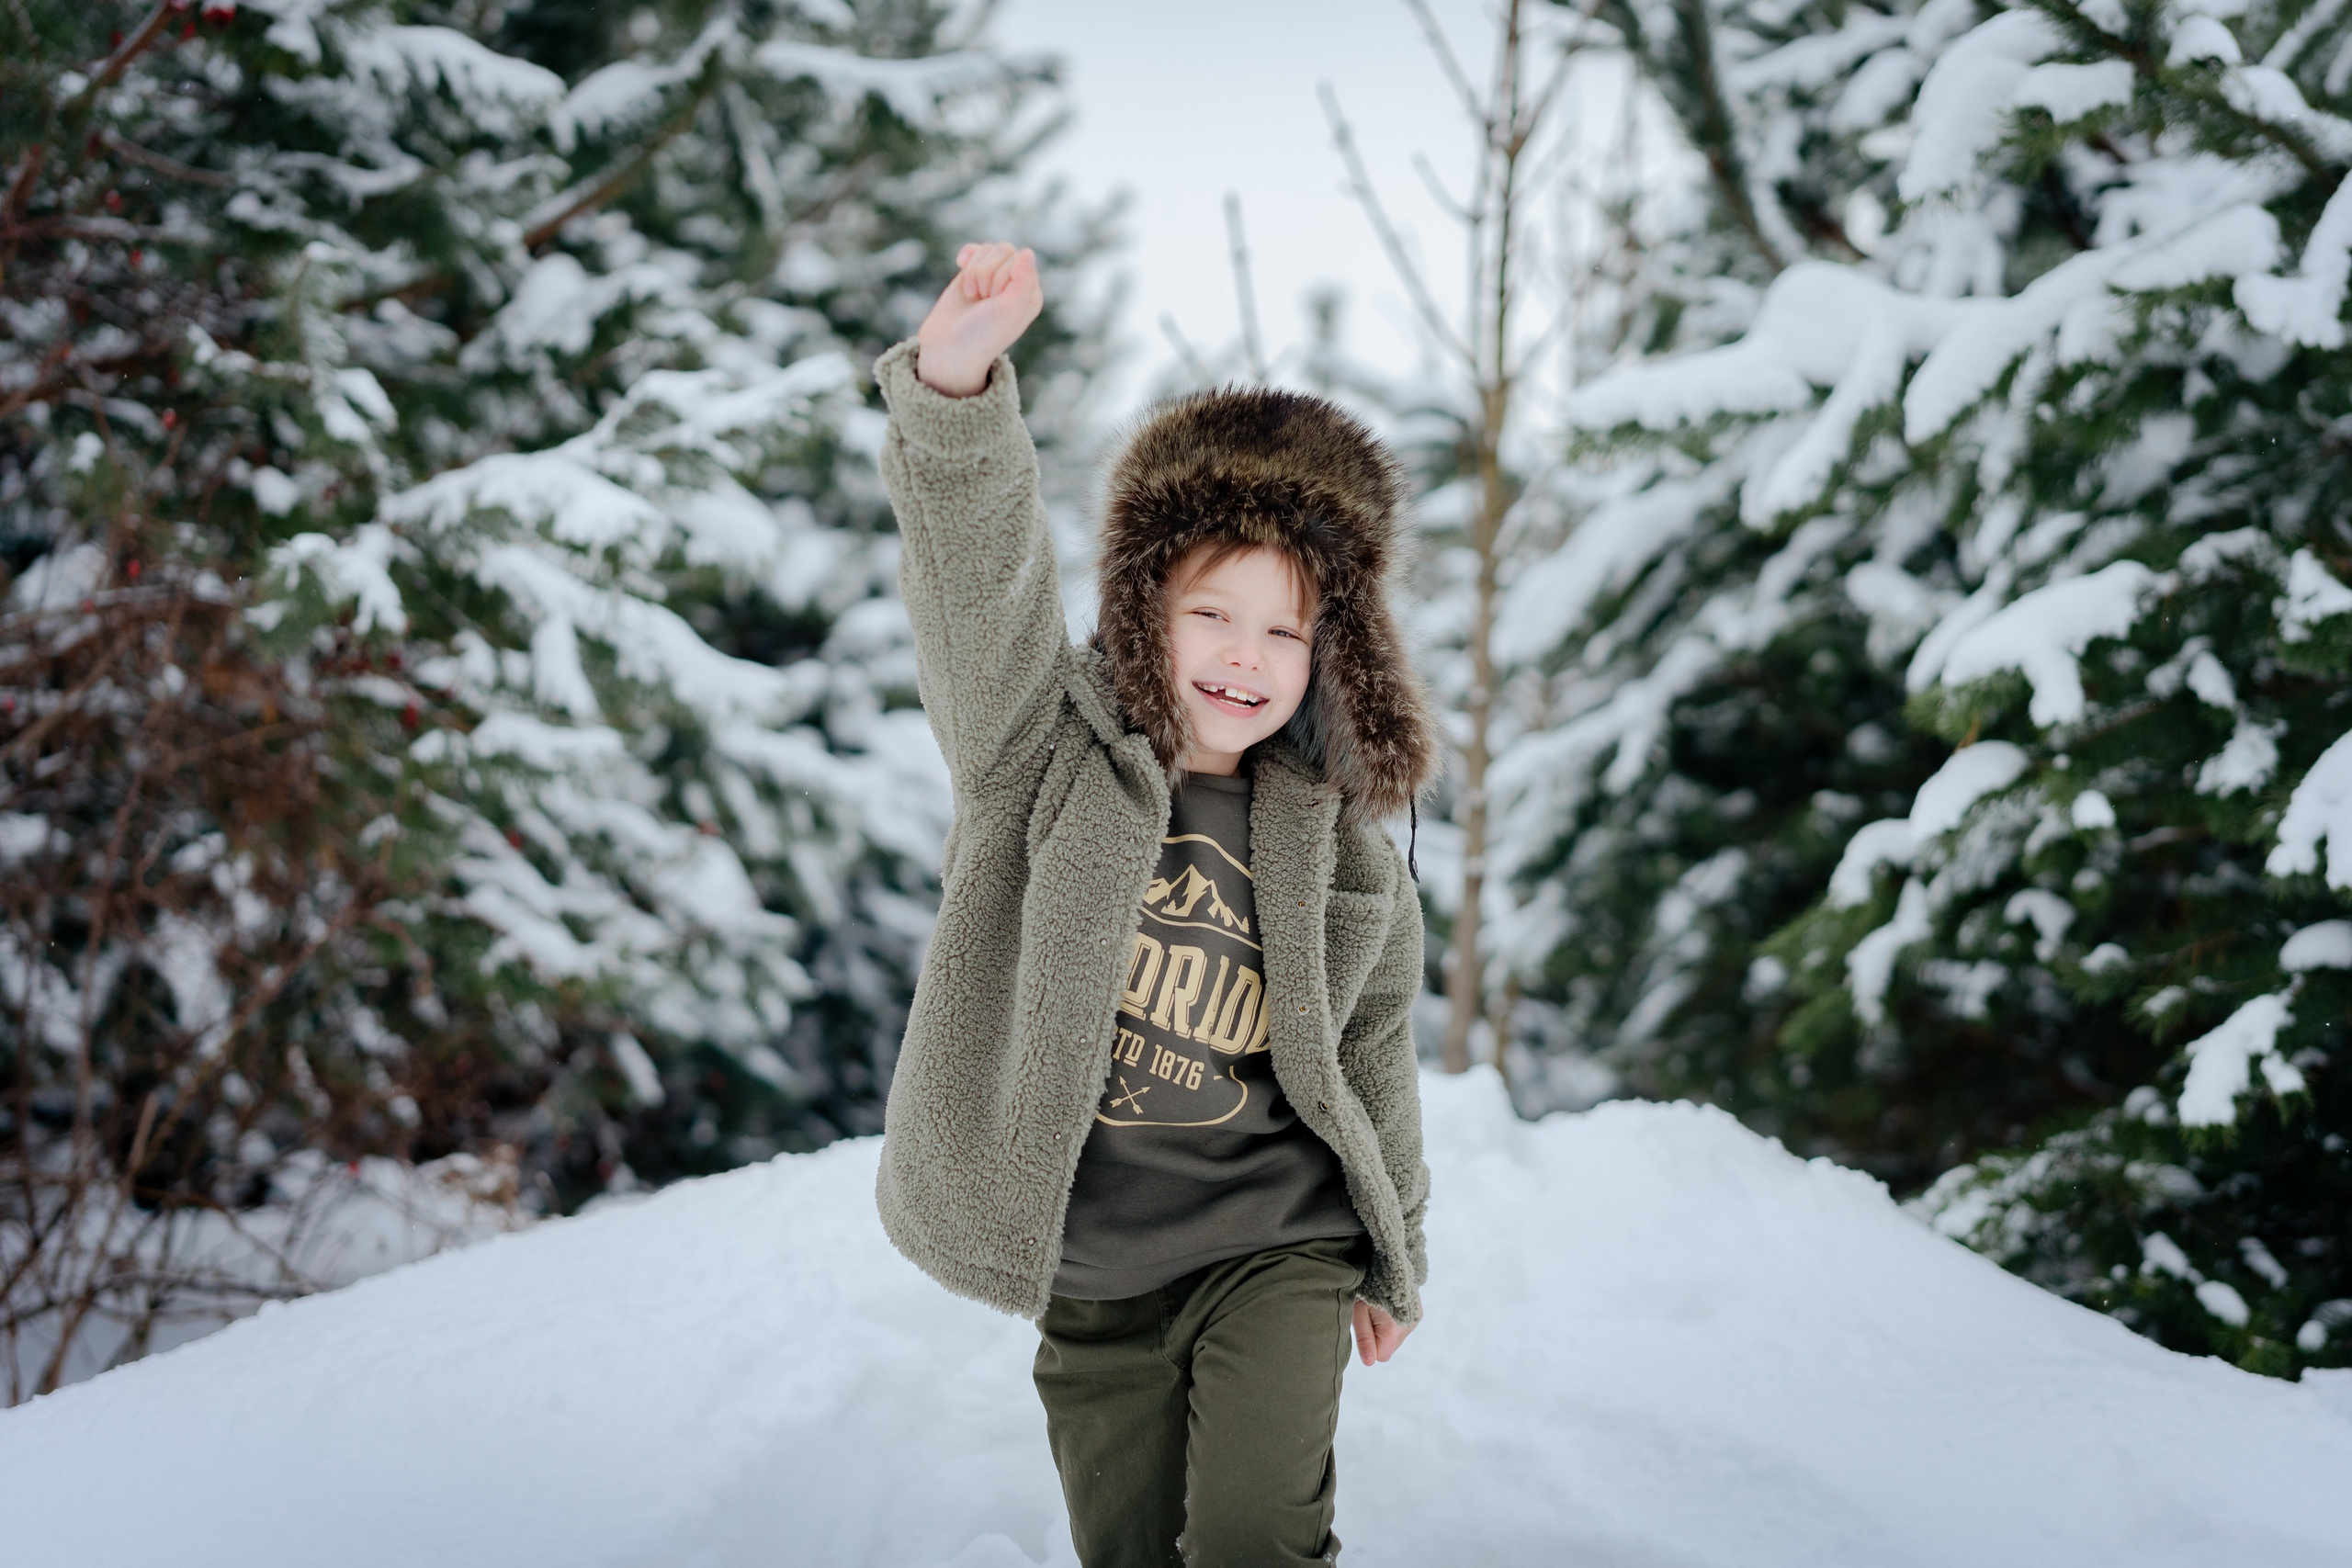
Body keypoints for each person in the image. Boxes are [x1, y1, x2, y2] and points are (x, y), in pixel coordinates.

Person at [871, 240, 1439, 1567]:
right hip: (1095, 1277)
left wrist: (1394, 1249)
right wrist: (956, 386)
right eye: (1212, 614)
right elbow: (981, 579)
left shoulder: (1335, 839)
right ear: (1143, 612)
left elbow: (1373, 1050)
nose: (1247, 656)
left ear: (1331, 653)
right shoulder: (1038, 754)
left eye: (1287, 630)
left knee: (1250, 1540)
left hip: (1276, 1250)